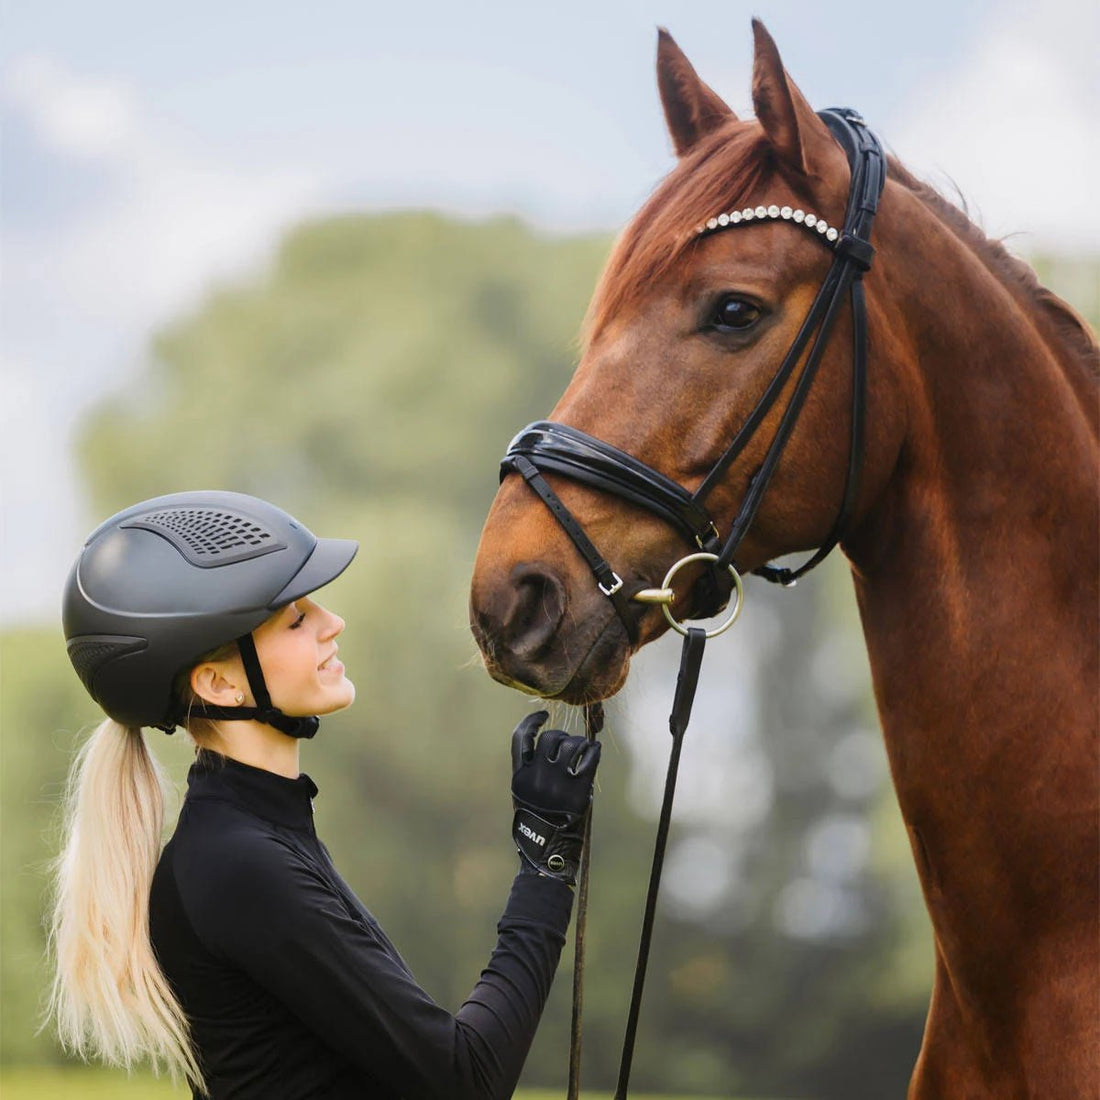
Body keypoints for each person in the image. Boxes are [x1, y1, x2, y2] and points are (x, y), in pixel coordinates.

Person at [49, 489, 600, 1099]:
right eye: (295, 618)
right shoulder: (239, 864)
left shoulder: (256, 835)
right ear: (220, 684)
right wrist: (544, 863)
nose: (331, 623)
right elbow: (465, 1079)